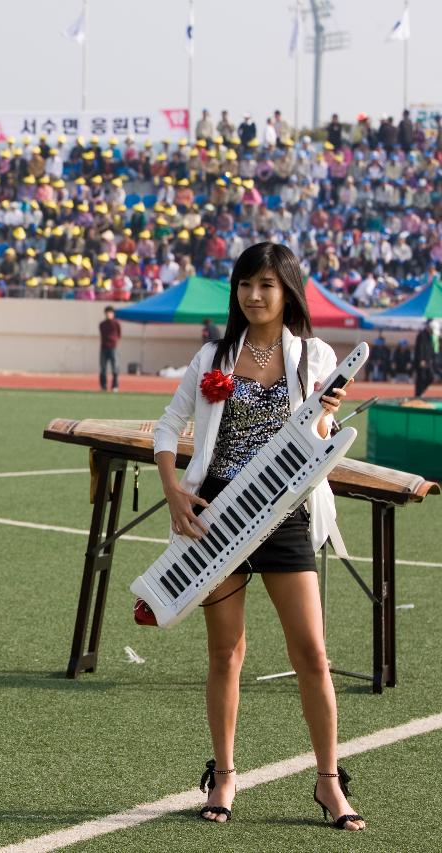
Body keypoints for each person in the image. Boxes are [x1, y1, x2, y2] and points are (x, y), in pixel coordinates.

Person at [153, 242, 363, 830]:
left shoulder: (313, 354)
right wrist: (173, 489)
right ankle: (223, 776)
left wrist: (325, 415)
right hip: (217, 518)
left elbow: (317, 441)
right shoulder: (213, 355)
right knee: (226, 654)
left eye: (266, 285)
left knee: (313, 655)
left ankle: (328, 781)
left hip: (285, 516)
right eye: (245, 285)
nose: (254, 296)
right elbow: (169, 426)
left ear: (287, 291)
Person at [414, 317, 439, 397]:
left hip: (429, 361)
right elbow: (420, 348)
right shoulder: (422, 335)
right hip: (422, 361)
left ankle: (421, 392)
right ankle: (418, 394)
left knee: (430, 377)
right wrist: (421, 359)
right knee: (421, 378)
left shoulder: (431, 336)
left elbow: (432, 348)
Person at [98, 305, 121, 391]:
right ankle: (103, 386)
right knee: (103, 368)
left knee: (115, 367)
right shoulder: (102, 324)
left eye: (110, 313)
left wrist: (114, 342)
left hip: (113, 348)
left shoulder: (116, 324)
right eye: (107, 313)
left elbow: (119, 335)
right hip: (104, 348)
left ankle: (115, 386)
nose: (109, 314)